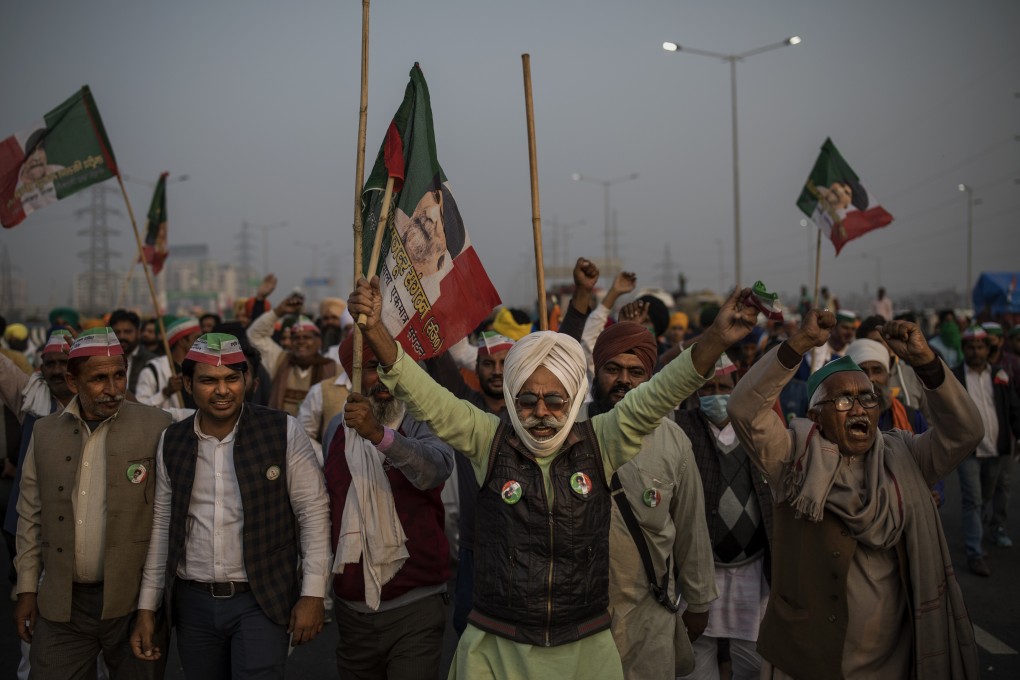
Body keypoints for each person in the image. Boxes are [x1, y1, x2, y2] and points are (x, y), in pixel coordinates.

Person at [347, 276, 756, 679]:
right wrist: (376, 329)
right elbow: (424, 394)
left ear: (575, 398)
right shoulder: (488, 438)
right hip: (498, 647)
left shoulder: (603, 442)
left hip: (584, 648)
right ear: (511, 399)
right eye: (527, 399)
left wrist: (715, 341)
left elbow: (662, 392)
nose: (541, 412)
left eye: (555, 400)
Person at [727, 311, 982, 679]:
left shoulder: (906, 456)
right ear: (816, 415)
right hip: (812, 662)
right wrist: (799, 342)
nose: (859, 407)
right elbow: (744, 409)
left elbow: (967, 431)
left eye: (867, 398)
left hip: (896, 658)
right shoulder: (791, 460)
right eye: (843, 401)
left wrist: (925, 362)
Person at [130, 333, 331, 679]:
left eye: (231, 379)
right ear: (188, 384)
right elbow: (163, 527)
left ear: (248, 381)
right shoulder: (172, 440)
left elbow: (312, 513)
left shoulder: (282, 430)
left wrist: (314, 595)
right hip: (192, 603)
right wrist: (147, 607)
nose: (222, 391)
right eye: (209, 381)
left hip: (262, 598)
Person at [14, 327, 172, 679]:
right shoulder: (45, 433)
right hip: (62, 605)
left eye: (119, 376)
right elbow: (30, 516)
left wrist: (150, 606)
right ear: (72, 382)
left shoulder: (157, 426)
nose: (113, 389)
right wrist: (26, 588)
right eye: (99, 379)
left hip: (133, 604)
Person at [579, 321, 717, 679]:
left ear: (650, 377)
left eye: (635, 372)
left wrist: (699, 602)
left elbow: (691, 528)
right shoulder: (570, 431)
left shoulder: (674, 442)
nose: (624, 380)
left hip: (649, 614)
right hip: (577, 616)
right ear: (597, 370)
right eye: (613, 369)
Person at [324, 341, 455, 679]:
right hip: (353, 613)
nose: (381, 378)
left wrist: (379, 435)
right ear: (353, 374)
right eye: (370, 368)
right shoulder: (336, 431)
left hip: (415, 605)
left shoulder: (422, 420)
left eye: (387, 367)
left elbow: (435, 469)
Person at [674, 354, 773, 680]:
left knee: (755, 662)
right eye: (708, 387)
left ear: (737, 389)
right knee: (696, 659)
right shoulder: (680, 427)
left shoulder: (756, 428)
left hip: (752, 569)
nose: (717, 394)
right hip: (699, 571)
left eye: (724, 387)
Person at [422, 330, 514, 636]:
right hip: (475, 548)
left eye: (505, 363)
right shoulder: (464, 410)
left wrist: (580, 298)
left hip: (524, 546)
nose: (497, 371)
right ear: (477, 367)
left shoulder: (530, 415)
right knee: (469, 631)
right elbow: (437, 360)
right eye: (488, 363)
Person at [953, 325, 1020, 575]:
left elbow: (1013, 408)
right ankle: (975, 552)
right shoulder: (955, 376)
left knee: (988, 495)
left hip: (996, 448)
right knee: (973, 500)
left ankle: (985, 532)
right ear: (964, 349)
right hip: (968, 450)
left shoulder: (999, 374)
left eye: (980, 346)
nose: (975, 351)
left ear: (987, 348)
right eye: (970, 346)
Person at [247, 276, 337, 416]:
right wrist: (279, 312)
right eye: (296, 338)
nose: (301, 341)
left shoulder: (332, 367)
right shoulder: (280, 360)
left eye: (307, 337)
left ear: (318, 341)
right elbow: (255, 335)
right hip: (281, 433)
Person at [134, 317, 203, 420]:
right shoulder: (152, 371)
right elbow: (139, 409)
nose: (202, 342)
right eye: (197, 338)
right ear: (183, 341)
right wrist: (165, 392)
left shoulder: (202, 367)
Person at [109, 309, 158, 393]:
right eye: (117, 332)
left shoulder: (151, 361)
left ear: (138, 333)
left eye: (127, 332)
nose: (122, 336)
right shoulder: (106, 360)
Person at [807, 309, 856, 373]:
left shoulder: (852, 354)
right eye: (845, 328)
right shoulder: (816, 348)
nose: (850, 333)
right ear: (833, 328)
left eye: (853, 329)